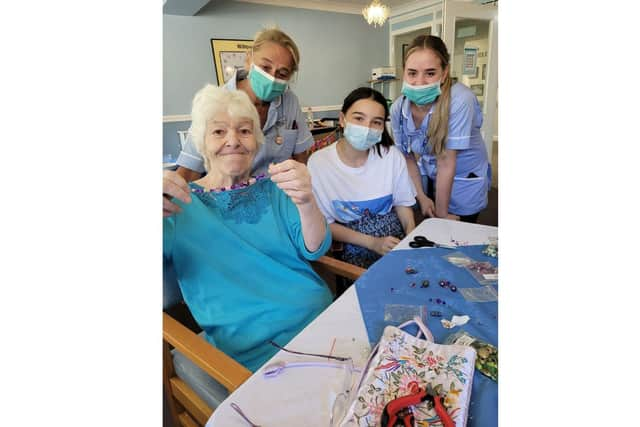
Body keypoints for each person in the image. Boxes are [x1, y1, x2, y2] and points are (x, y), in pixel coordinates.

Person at [163, 84, 333, 372]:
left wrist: (306, 200)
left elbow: (316, 248)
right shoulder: (176, 204)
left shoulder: (276, 187)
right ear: (202, 143)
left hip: (319, 317)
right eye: (219, 131)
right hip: (254, 349)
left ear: (256, 140)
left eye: (244, 131)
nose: (233, 140)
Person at [164, 27, 313, 217]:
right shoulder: (216, 103)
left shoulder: (289, 101)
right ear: (249, 60)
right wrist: (167, 201)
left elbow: (301, 160)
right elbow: (188, 171)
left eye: (282, 74)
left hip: (278, 203)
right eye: (265, 67)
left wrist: (303, 197)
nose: (272, 77)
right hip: (228, 206)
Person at [308, 87, 416, 270]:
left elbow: (403, 204)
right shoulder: (319, 164)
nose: (367, 128)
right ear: (342, 119)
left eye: (376, 122)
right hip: (349, 240)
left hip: (392, 239)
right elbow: (324, 223)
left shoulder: (391, 157)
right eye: (359, 118)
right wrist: (372, 242)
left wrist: (411, 237)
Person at [390, 35, 491, 223]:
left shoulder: (460, 100)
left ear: (444, 74)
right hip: (431, 175)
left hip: (464, 179)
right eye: (412, 73)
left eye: (430, 73)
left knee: (459, 238)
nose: (419, 82)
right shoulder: (398, 108)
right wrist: (421, 196)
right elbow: (408, 156)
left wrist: (442, 215)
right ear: (404, 73)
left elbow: (446, 160)